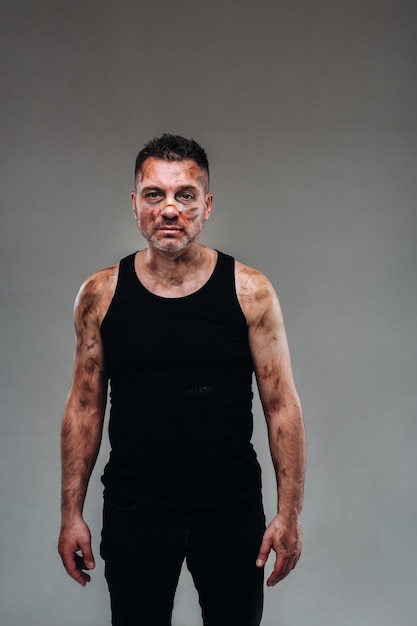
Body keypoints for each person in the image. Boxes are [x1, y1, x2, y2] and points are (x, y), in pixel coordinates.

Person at [58, 134, 306, 626]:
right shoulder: (100, 295)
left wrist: (289, 514)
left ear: (207, 205)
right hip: (136, 510)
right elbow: (84, 406)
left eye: (185, 195)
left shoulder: (250, 291)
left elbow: (282, 405)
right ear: (135, 205)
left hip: (230, 511)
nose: (170, 209)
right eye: (154, 194)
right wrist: (71, 515)